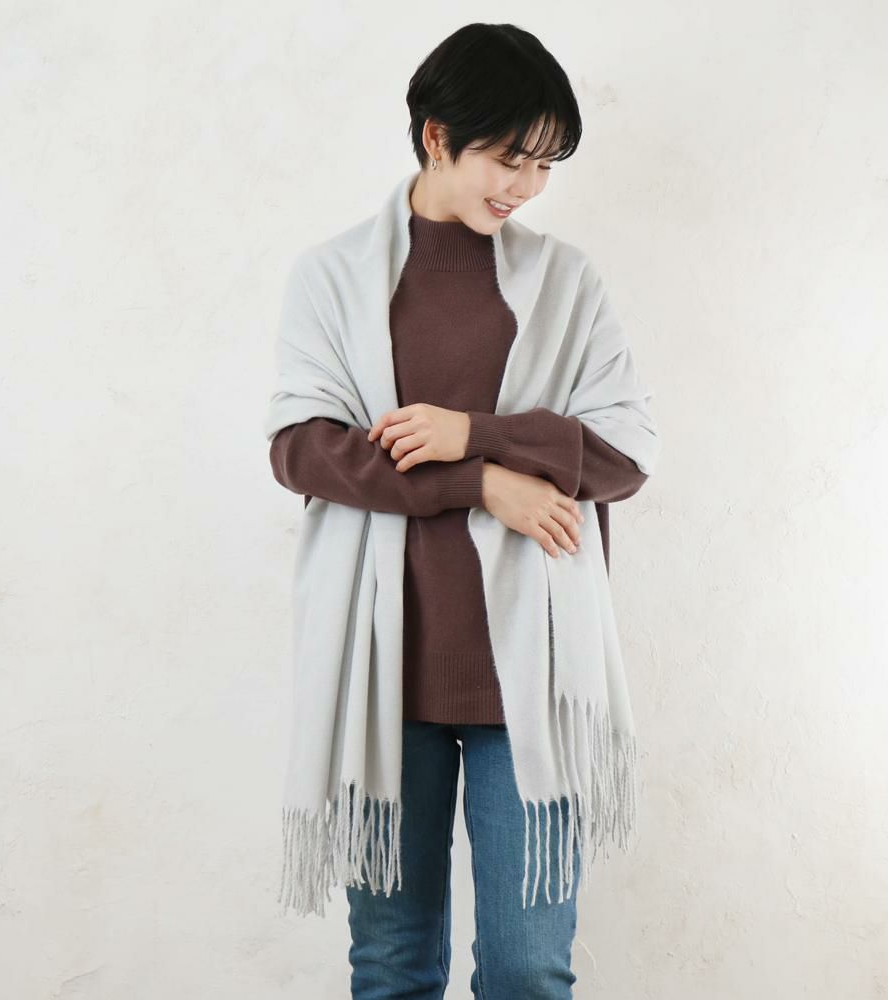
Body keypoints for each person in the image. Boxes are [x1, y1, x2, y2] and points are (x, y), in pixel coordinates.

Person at [269, 22, 652, 1000]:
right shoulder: (333, 277)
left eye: (545, 165)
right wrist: (479, 483)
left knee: (528, 971)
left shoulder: (565, 284)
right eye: (508, 158)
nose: (526, 186)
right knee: (392, 969)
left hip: (535, 685)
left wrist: (473, 432)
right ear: (436, 137)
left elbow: (622, 456)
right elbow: (303, 450)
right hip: (381, 676)